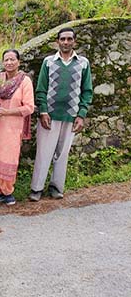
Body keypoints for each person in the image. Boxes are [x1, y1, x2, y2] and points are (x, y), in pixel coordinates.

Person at [29, 27, 93, 201]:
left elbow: (87, 91)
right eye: (62, 39)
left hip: (71, 115)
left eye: (69, 39)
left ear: (74, 41)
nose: (66, 42)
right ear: (57, 41)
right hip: (49, 115)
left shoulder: (83, 63)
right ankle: (37, 188)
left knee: (62, 153)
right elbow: (41, 88)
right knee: (44, 152)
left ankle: (56, 187)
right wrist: (43, 111)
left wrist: (81, 114)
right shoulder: (49, 62)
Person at [0, 49, 35, 206]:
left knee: (8, 158)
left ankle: (7, 192)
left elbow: (29, 107)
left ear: (18, 62)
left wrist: (7, 112)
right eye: (6, 60)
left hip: (12, 128)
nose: (9, 63)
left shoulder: (24, 81)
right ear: (2, 62)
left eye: (12, 59)